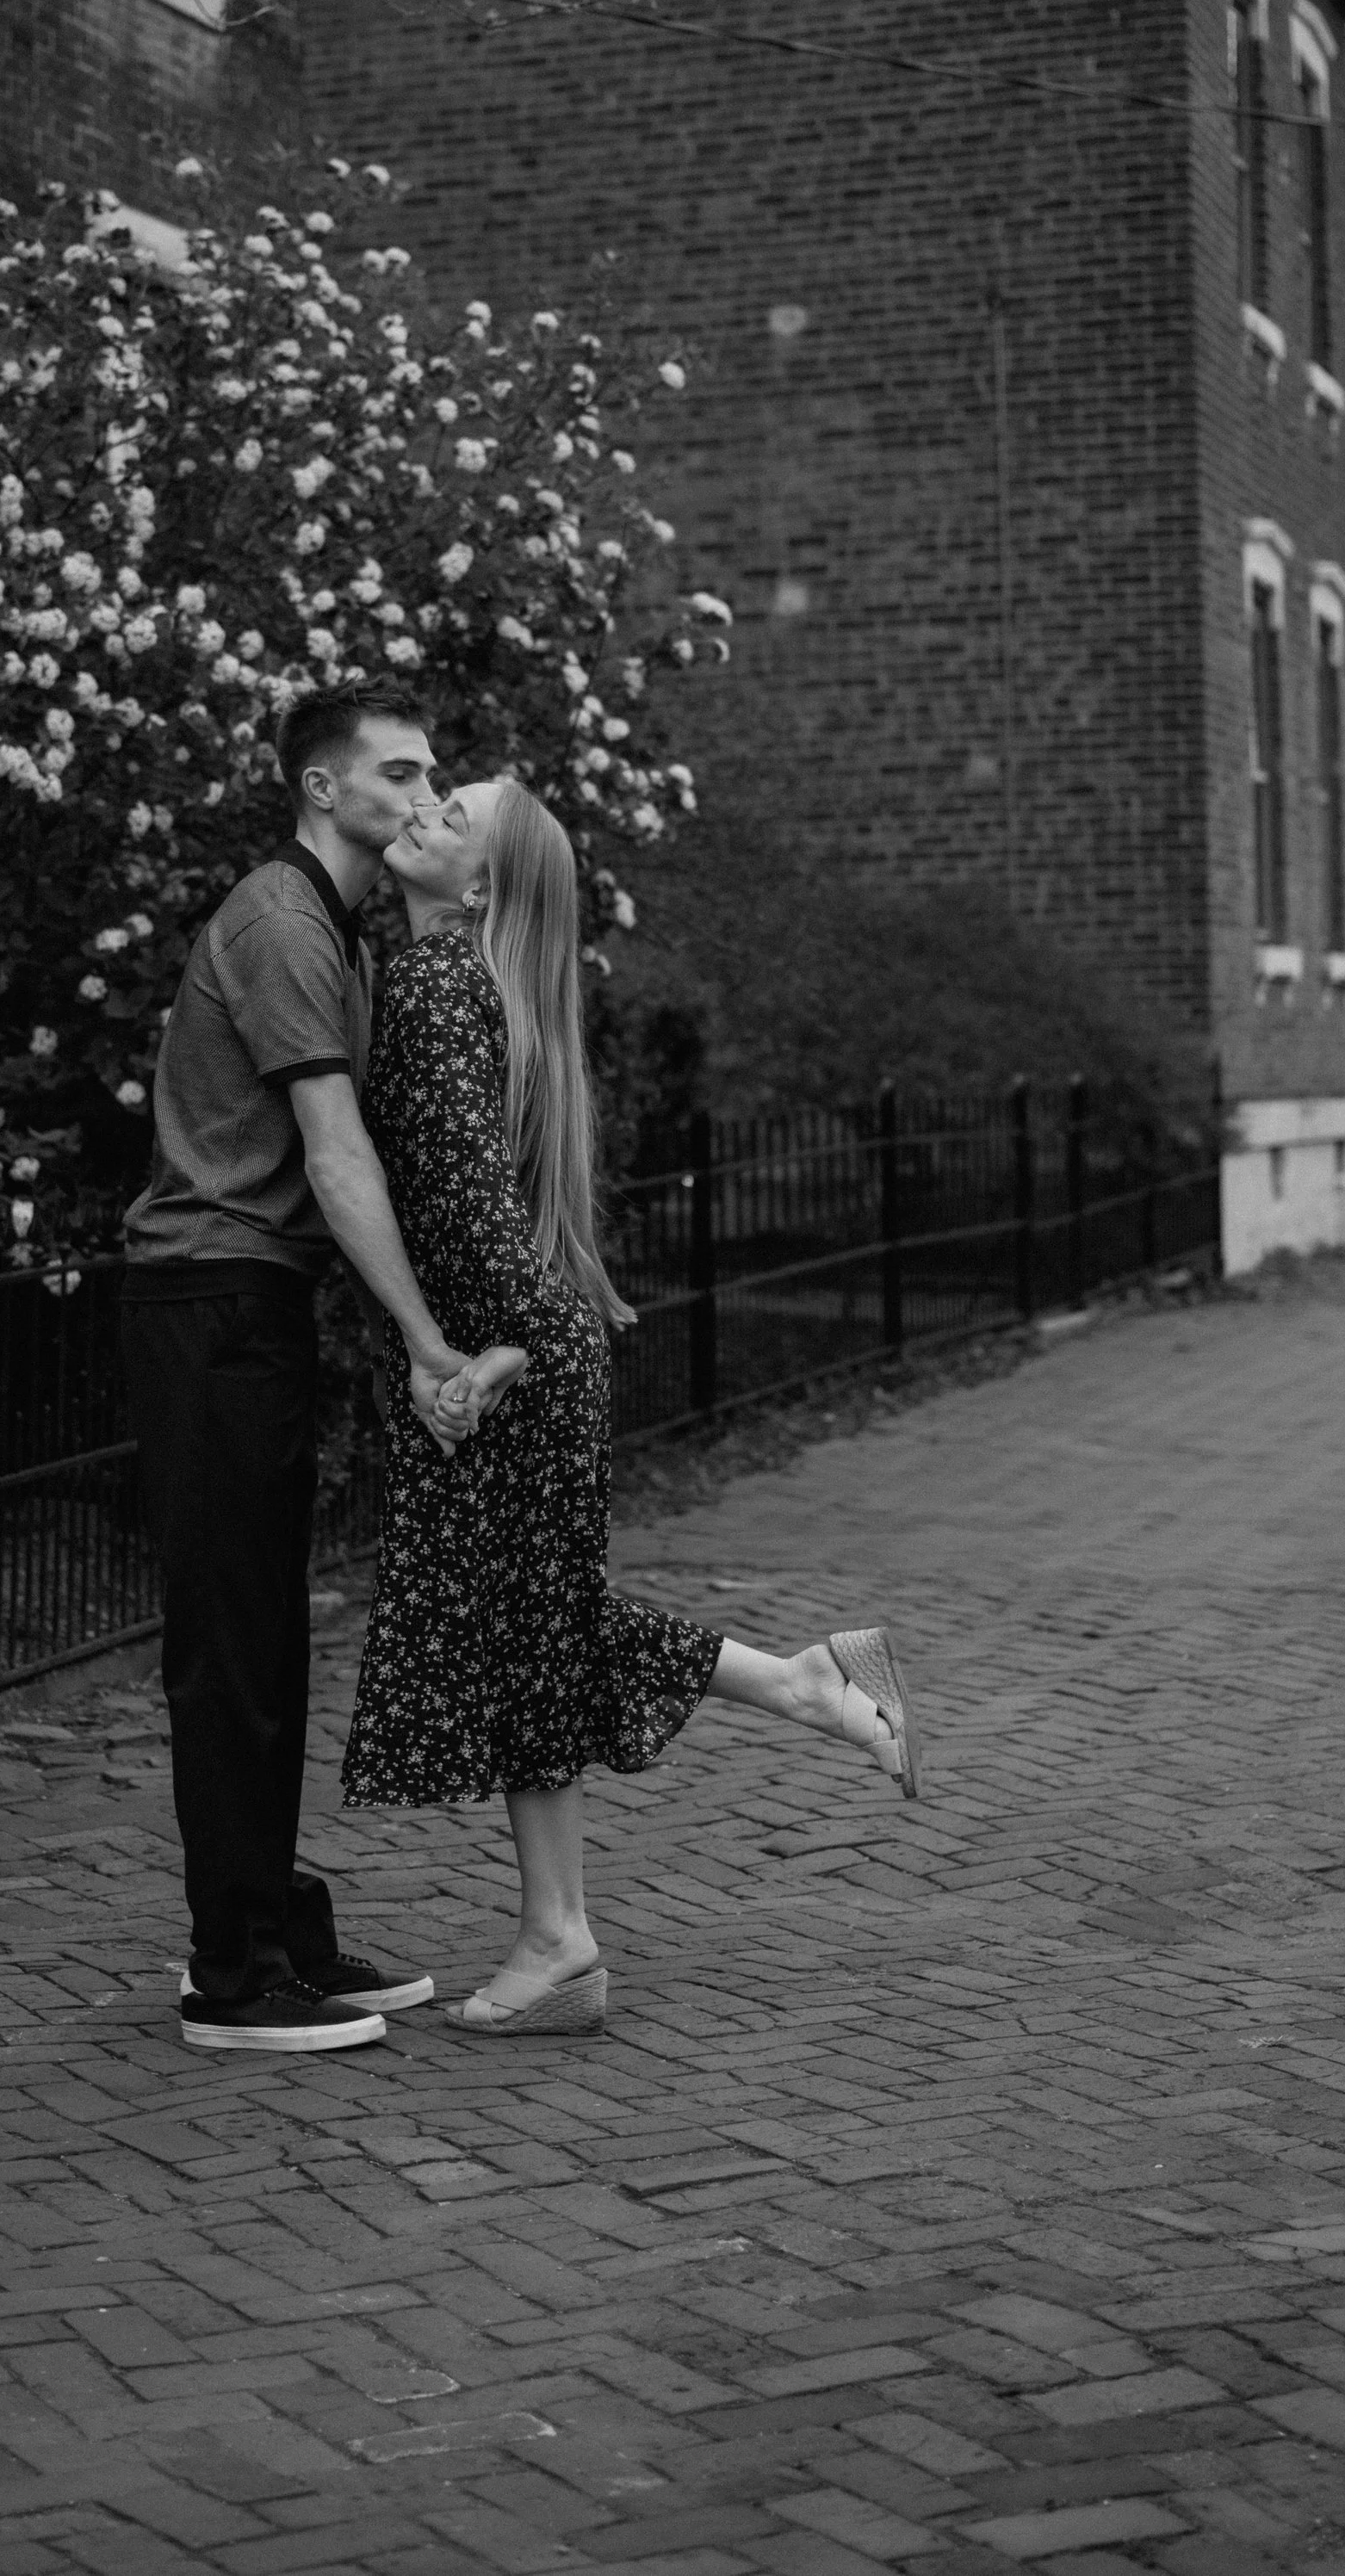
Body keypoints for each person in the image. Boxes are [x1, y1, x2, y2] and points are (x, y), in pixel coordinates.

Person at [340, 773, 920, 2034]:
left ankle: (563, 1937)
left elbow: (458, 1207)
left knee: (529, 1635)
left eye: (453, 818)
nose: (425, 813)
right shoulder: (490, 987)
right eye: (427, 798)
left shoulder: (439, 979)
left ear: (484, 884)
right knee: (540, 1622)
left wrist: (484, 1350)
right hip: (532, 1349)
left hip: (515, 1357)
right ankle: (805, 1686)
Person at [123, 685, 481, 2057]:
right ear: (326, 791)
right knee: (230, 1649)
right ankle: (234, 1969)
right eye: (399, 771)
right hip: (208, 1302)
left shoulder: (333, 924)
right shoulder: (282, 920)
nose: (425, 791)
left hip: (248, 1302)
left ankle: (278, 1916)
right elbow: (335, 1154)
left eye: (432, 771)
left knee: (268, 1630)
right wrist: (425, 1336)